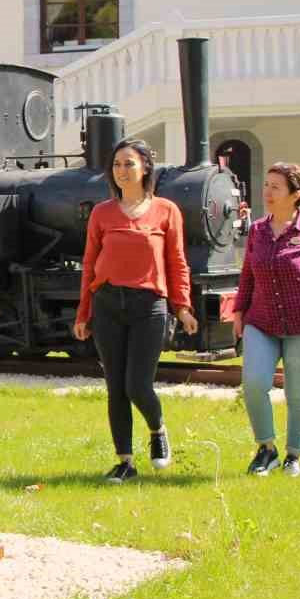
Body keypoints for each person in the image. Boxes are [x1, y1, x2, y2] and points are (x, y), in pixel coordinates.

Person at [74, 138, 198, 483]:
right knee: (115, 386)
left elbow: (177, 262)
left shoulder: (166, 210)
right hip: (108, 304)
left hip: (149, 306)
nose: (121, 171)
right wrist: (83, 313)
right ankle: (125, 461)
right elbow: (89, 265)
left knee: (138, 385)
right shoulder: (102, 213)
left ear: (145, 167)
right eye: (116, 165)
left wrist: (183, 306)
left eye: (129, 164)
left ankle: (157, 430)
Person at [228, 162, 300, 478]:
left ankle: (293, 455)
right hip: (260, 322)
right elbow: (248, 273)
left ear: (297, 194)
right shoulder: (258, 230)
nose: (268, 192)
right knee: (254, 384)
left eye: (276, 187)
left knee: (299, 391)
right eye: (266, 185)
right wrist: (238, 311)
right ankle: (266, 449)